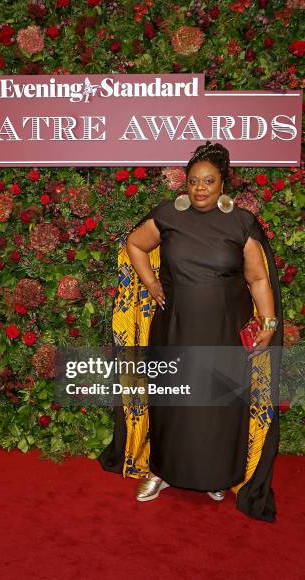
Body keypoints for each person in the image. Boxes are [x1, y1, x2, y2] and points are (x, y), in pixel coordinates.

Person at [98, 141, 283, 522]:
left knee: (216, 408)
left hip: (223, 332)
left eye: (209, 181)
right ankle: (161, 471)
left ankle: (213, 475)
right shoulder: (168, 215)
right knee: (172, 406)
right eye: (194, 181)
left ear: (222, 184)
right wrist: (150, 283)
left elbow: (259, 278)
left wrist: (268, 322)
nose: (200, 188)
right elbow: (134, 243)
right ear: (186, 182)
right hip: (174, 330)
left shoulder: (240, 223)